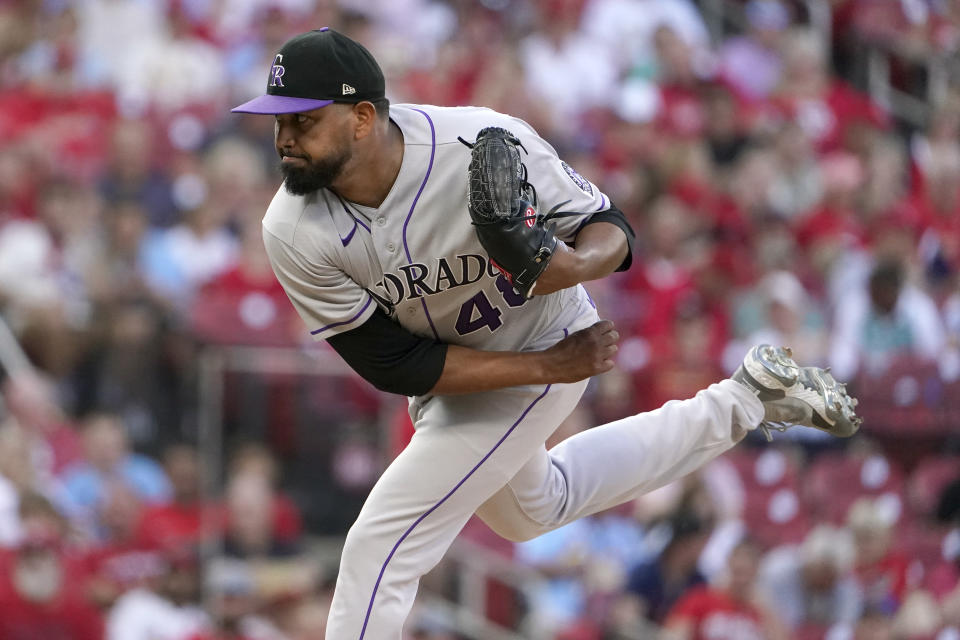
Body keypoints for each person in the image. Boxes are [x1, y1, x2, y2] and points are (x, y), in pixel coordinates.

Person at [231, 28, 861, 638]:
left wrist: (574, 266)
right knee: (536, 509)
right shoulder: (292, 229)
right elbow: (392, 363)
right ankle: (746, 398)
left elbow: (608, 225)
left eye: (303, 121)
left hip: (537, 335)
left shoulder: (477, 142)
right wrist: (548, 368)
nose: (284, 138)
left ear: (363, 117)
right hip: (502, 368)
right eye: (278, 122)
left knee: (379, 544)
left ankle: (742, 401)